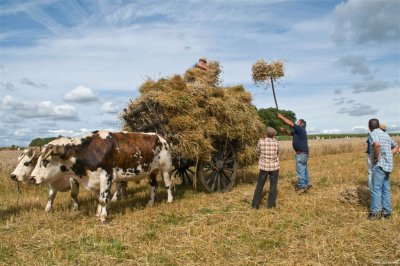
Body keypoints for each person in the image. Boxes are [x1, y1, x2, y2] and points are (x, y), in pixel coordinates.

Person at [367, 118, 399, 220]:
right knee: (386, 189)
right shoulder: (385, 134)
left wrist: (376, 158)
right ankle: (387, 213)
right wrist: (390, 153)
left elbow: (376, 144)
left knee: (376, 189)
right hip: (388, 166)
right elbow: (396, 146)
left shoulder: (373, 133)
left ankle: (375, 213)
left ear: (370, 126)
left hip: (379, 165)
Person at [277, 112, 311, 193]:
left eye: (298, 122)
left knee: (300, 169)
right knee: (304, 168)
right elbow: (289, 133)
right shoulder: (297, 132)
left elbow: (290, 123)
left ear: (301, 124)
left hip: (301, 153)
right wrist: (285, 130)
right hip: (303, 153)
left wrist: (281, 117)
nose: (296, 123)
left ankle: (302, 187)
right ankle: (307, 183)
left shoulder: (300, 129)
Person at [251, 127, 280, 209]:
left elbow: (257, 152)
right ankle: (270, 205)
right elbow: (278, 153)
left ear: (266, 134)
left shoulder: (261, 141)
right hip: (274, 167)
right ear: (273, 135)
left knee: (259, 186)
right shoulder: (276, 142)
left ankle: (255, 205)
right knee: (273, 187)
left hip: (264, 167)